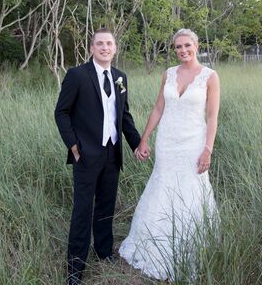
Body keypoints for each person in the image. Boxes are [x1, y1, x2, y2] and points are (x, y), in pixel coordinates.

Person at [119, 28, 220, 281]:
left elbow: (212, 116)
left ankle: (191, 246)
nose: (183, 50)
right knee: (162, 186)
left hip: (193, 143)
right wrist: (143, 139)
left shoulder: (210, 76)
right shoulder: (169, 74)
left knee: (191, 189)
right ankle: (153, 242)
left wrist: (208, 148)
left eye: (187, 45)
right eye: (178, 47)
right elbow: (158, 108)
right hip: (167, 142)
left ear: (196, 45)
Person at [55, 28, 142, 285]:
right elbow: (61, 112)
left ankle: (103, 252)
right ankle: (75, 268)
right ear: (92, 48)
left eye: (109, 44)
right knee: (82, 210)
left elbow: (123, 116)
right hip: (85, 154)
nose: (105, 47)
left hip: (112, 152)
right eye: (100, 43)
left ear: (115, 48)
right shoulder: (77, 75)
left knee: (106, 206)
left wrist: (137, 144)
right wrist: (72, 144)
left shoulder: (120, 77)